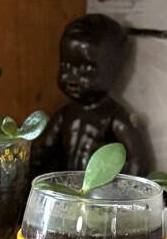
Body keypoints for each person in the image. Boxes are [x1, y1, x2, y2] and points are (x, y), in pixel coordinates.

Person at [31, 14, 152, 178]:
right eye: (66, 65)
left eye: (86, 68)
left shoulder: (114, 118)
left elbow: (138, 160)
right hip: (66, 192)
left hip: (101, 196)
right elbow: (41, 152)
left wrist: (123, 193)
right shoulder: (65, 115)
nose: (72, 76)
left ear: (113, 70)